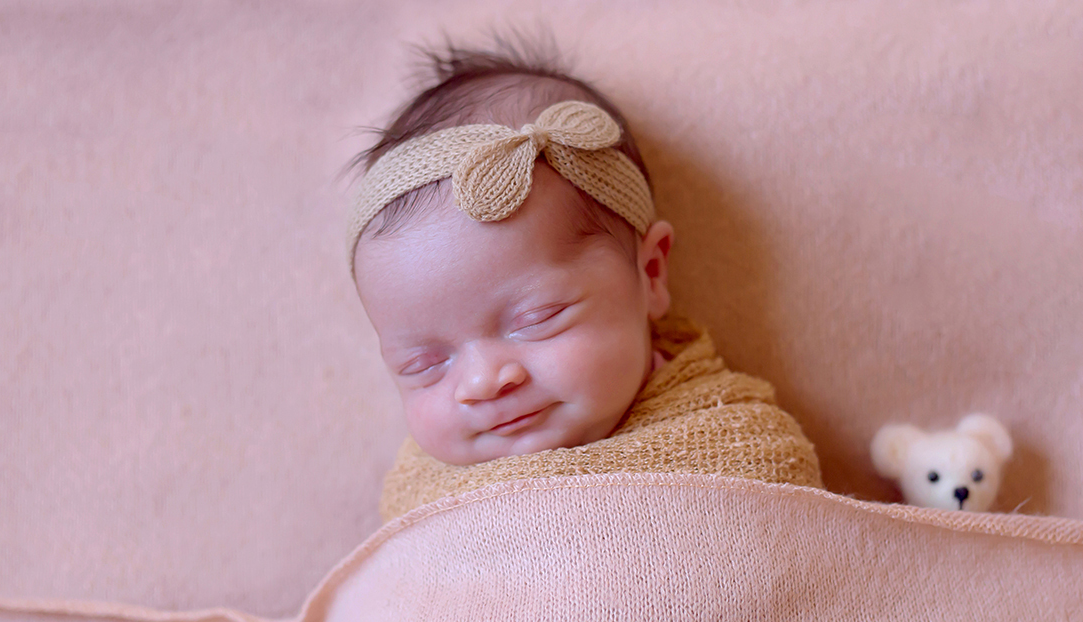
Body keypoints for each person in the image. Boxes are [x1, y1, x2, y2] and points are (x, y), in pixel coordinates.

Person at [346, 33, 823, 522]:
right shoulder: (421, 497)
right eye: (423, 364)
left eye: (537, 318)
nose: (483, 381)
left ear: (650, 274)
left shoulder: (731, 442)